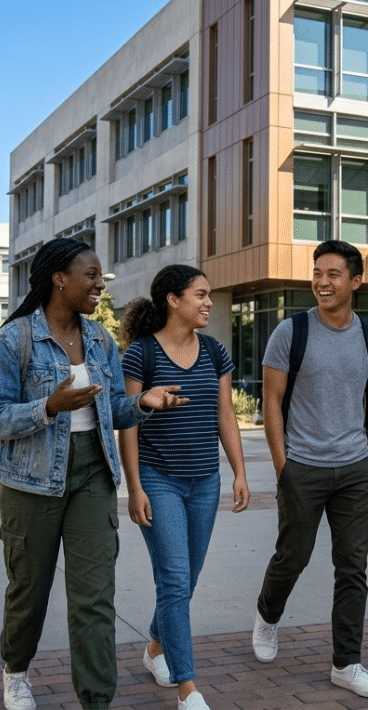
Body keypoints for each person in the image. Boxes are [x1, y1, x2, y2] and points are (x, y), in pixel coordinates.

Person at [0, 238, 185, 710]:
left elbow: (110, 409)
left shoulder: (99, 339)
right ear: (59, 279)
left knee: (94, 596)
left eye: (101, 277)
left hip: (93, 474)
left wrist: (142, 403)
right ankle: (15, 670)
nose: (100, 284)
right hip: (30, 482)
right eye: (91, 276)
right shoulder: (14, 339)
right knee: (29, 591)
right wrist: (49, 406)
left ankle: (97, 700)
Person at [251, 240, 368, 699]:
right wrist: (282, 465)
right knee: (293, 556)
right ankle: (268, 616)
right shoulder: (292, 332)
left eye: (332, 274)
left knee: (353, 566)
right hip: (303, 467)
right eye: (317, 272)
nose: (322, 281)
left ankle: (347, 663)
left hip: (354, 469)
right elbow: (270, 401)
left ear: (355, 281)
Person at [119, 264, 250, 710]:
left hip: (205, 482)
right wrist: (134, 487)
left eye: (209, 294)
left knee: (185, 581)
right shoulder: (142, 354)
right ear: (173, 300)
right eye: (200, 294)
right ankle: (187, 688)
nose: (208, 302)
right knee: (174, 581)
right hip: (159, 480)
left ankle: (156, 645)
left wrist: (239, 471)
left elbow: (225, 414)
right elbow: (128, 425)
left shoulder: (214, 351)